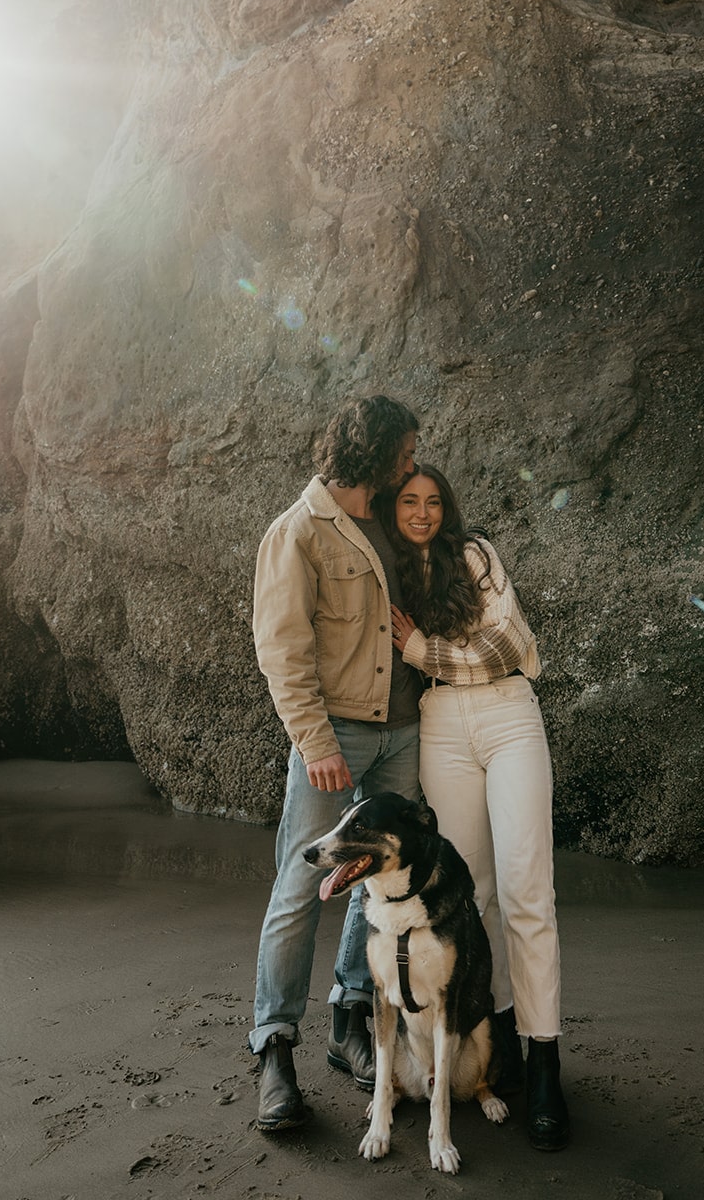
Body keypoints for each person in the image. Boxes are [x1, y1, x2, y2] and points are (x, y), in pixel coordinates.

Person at [379, 465, 569, 1152]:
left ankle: (544, 1060)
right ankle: (494, 1045)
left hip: (508, 717)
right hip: (439, 730)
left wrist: (422, 649)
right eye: (409, 501)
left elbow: (508, 645)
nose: (423, 512)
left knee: (527, 893)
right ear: (390, 509)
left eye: (433, 501)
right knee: (471, 895)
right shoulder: (389, 573)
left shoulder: (475, 554)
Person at [249, 394, 422, 1132]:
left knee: (371, 881)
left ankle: (348, 1018)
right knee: (302, 880)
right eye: (405, 451)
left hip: (405, 733)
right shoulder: (297, 532)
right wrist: (315, 742)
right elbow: (281, 649)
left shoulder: (383, 522)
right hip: (338, 737)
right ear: (377, 452)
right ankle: (273, 1048)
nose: (413, 463)